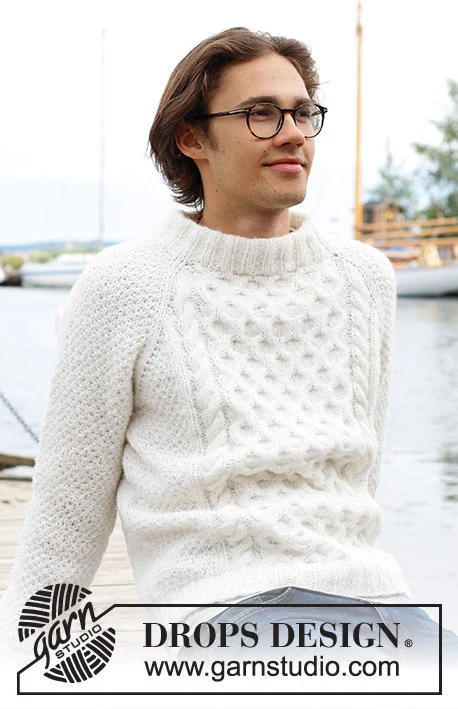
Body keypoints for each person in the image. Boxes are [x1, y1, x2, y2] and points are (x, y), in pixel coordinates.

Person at [1, 27, 456, 674]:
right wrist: (22, 670)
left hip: (378, 605)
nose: (293, 133)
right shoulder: (125, 286)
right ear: (192, 139)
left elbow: (356, 485)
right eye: (261, 113)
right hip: (222, 619)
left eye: (302, 112)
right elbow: (65, 512)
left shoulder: (365, 279)